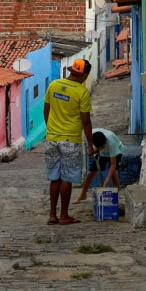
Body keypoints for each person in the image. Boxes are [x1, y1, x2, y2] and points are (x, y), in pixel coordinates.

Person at [44, 58, 95, 225]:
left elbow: (46, 110)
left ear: (71, 70)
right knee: (66, 178)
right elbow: (86, 121)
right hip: (71, 140)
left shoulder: (53, 85)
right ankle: (64, 215)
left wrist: (51, 129)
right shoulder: (82, 92)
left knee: (55, 178)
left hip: (52, 139)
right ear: (85, 75)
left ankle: (52, 215)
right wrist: (90, 144)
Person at [72, 128, 124, 204]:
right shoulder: (91, 135)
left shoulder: (111, 143)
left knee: (114, 174)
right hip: (102, 153)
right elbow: (92, 147)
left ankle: (114, 196)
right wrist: (93, 150)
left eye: (102, 147)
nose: (101, 148)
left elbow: (113, 164)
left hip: (116, 152)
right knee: (90, 173)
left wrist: (105, 184)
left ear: (105, 143)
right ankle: (82, 195)